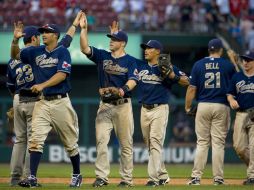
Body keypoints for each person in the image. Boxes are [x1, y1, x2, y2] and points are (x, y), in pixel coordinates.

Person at [7, 12, 83, 187]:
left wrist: (42, 85)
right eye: (42, 32)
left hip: (60, 101)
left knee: (70, 143)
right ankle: (32, 177)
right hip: (42, 102)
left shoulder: (62, 51)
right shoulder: (36, 51)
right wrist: (14, 40)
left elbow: (62, 75)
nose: (43, 34)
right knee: (36, 140)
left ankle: (77, 174)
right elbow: (15, 56)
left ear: (55, 35)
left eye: (47, 32)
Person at [79, 13, 138, 187]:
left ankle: (126, 179)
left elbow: (133, 80)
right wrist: (83, 30)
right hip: (104, 106)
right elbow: (84, 48)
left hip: (123, 106)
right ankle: (101, 177)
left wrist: (122, 90)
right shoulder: (103, 56)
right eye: (110, 38)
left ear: (123, 43)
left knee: (126, 145)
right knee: (101, 142)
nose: (111, 41)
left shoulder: (131, 61)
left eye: (115, 39)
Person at [137, 40, 189, 186]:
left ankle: (153, 179)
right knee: (150, 145)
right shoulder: (141, 66)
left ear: (158, 51)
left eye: (149, 48)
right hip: (144, 109)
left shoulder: (167, 67)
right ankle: (163, 175)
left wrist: (174, 77)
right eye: (145, 48)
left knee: (155, 143)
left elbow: (188, 81)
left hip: (160, 108)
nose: (146, 50)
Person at [185, 38, 236, 185]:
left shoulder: (198, 64)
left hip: (203, 105)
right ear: (220, 50)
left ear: (209, 50)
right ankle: (218, 179)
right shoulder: (227, 65)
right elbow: (239, 80)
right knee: (218, 144)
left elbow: (192, 88)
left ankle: (195, 178)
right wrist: (234, 63)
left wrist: (188, 107)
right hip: (222, 106)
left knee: (202, 143)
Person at [227, 51, 254, 185]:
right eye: (244, 59)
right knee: (239, 147)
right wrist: (231, 100)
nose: (245, 62)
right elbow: (230, 94)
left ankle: (252, 176)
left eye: (249, 60)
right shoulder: (237, 76)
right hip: (241, 114)